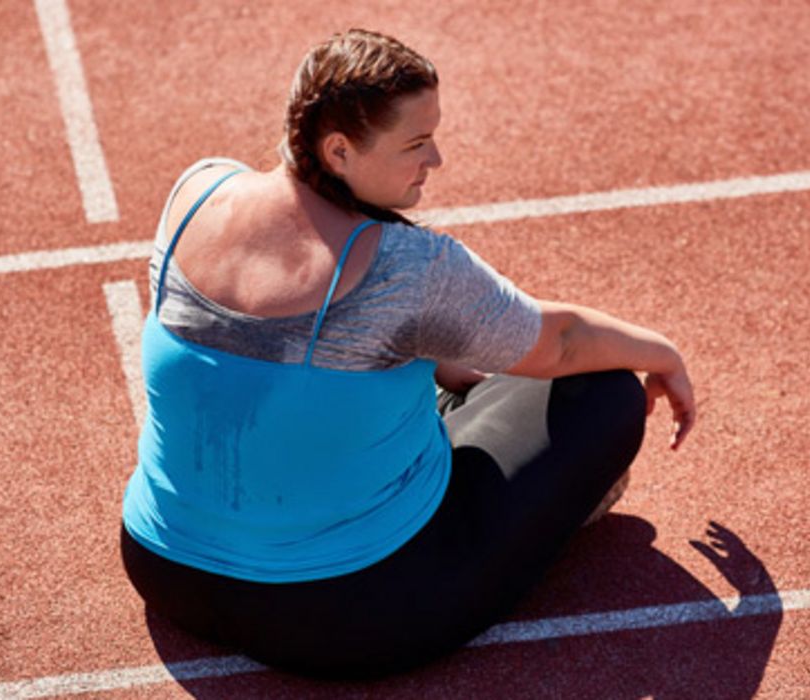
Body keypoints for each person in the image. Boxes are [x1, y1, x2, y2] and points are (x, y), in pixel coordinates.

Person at [119, 28, 696, 680]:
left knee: (412, 370)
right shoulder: (407, 269)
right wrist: (664, 353)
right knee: (605, 391)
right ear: (338, 150)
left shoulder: (197, 191)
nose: (437, 159)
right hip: (346, 615)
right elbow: (558, 341)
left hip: (163, 568)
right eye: (416, 143)